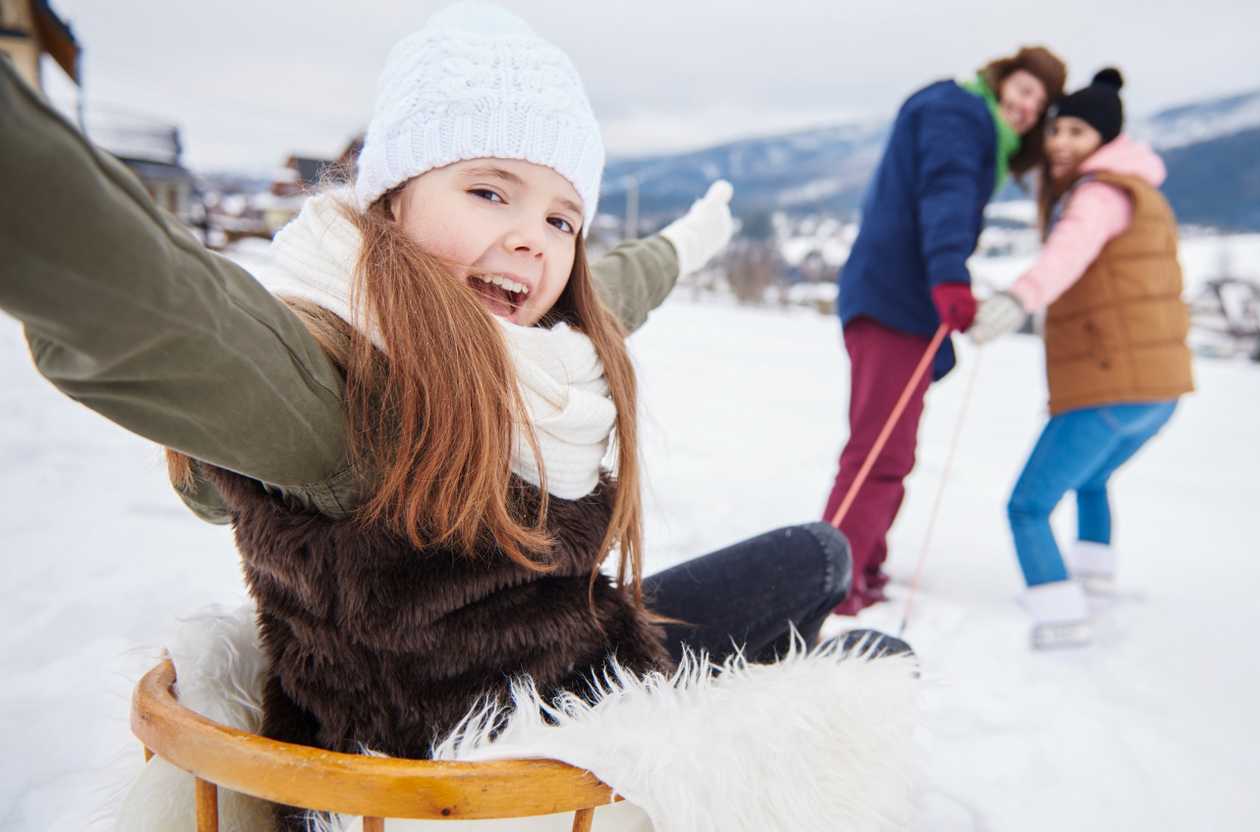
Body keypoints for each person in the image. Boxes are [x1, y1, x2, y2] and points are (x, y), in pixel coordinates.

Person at [0, 5, 911, 826]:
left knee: (817, 555)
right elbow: (156, 307)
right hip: (479, 778)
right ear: (392, 200)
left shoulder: (530, 351)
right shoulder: (332, 386)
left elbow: (617, 288)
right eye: (489, 190)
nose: (532, 238)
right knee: (869, 648)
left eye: (563, 219)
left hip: (573, 663)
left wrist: (695, 236)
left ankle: (794, 664)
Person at [824, 46, 1067, 614]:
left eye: (1041, 102)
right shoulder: (959, 114)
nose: (1030, 107)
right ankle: (832, 577)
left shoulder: (966, 119)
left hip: (900, 305)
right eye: (1026, 89)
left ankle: (863, 561)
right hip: (893, 301)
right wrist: (950, 279)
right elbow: (946, 195)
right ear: (1003, 79)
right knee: (878, 447)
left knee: (893, 447)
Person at [970, 69, 1196, 649]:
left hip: (1111, 386)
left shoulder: (1098, 194)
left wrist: (1018, 297)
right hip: (1158, 392)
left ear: (1105, 137)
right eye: (1056, 130)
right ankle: (1094, 583)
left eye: (1077, 131)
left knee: (1027, 506)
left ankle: (1060, 616)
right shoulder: (1139, 188)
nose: (1061, 142)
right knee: (1092, 480)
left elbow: (1067, 253)